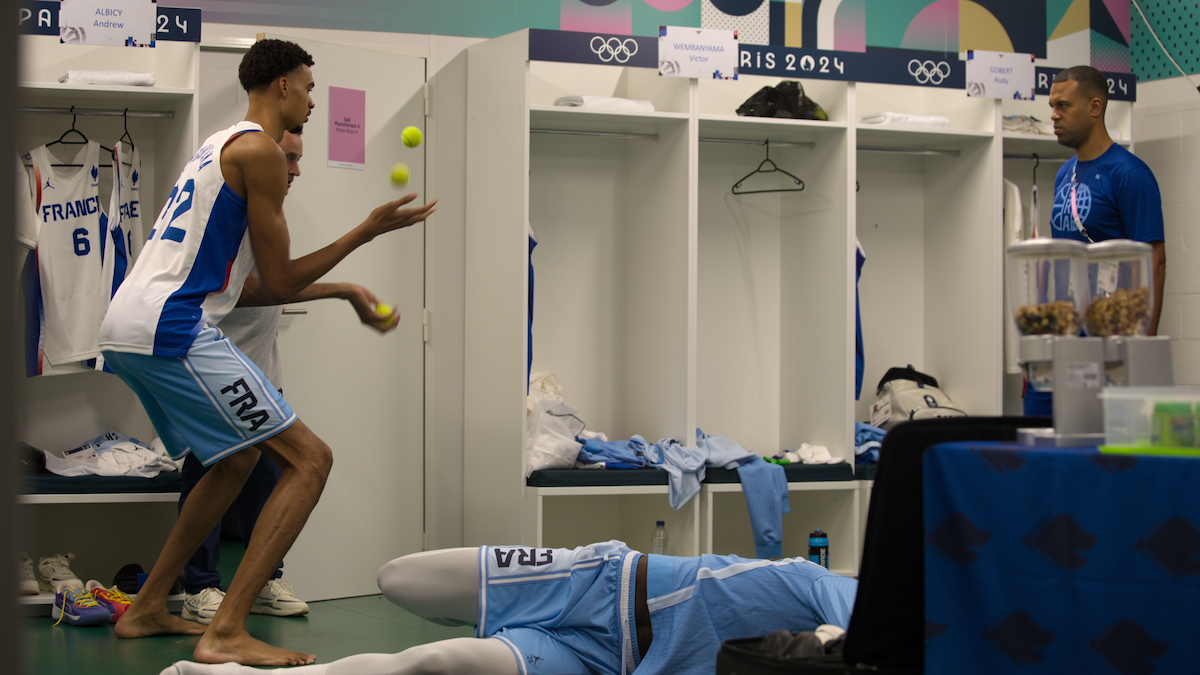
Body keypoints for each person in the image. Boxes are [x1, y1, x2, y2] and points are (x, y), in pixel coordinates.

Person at [98, 39, 437, 667]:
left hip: (127, 324)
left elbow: (242, 287)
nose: (313, 100)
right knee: (310, 460)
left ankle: (146, 607)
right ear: (282, 85)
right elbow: (281, 284)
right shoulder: (261, 153)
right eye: (308, 87)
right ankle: (226, 630)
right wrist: (366, 230)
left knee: (235, 459)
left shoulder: (219, 144)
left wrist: (341, 290)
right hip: (173, 326)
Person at [179, 128, 401, 625]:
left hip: (260, 364)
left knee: (266, 477)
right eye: (289, 160)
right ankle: (199, 587)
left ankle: (265, 579)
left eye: (299, 161)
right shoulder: (229, 210)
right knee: (211, 474)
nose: (295, 171)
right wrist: (342, 283)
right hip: (214, 363)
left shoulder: (269, 212)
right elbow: (248, 289)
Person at [159, 540, 859, 675]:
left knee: (434, 660)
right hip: (601, 579)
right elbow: (850, 608)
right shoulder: (828, 585)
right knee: (396, 576)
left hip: (599, 661)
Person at [1024, 65, 1166, 417]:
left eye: (1063, 106)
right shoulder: (1063, 173)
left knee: (1096, 445)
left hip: (1108, 340)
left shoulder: (1129, 174)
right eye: (1052, 107)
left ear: (1095, 107)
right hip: (1059, 337)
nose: (1053, 116)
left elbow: (1155, 263)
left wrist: (1140, 352)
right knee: (1039, 430)